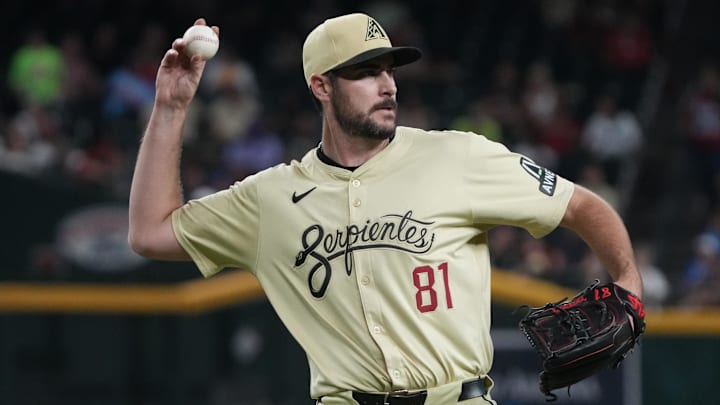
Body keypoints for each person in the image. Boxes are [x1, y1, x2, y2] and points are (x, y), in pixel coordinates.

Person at [128, 14, 644, 405]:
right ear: (321, 86)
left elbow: (579, 203)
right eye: (365, 72)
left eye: (389, 71)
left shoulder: (457, 155)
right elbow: (150, 232)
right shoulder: (270, 199)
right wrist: (171, 109)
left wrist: (628, 282)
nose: (388, 84)